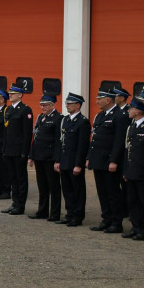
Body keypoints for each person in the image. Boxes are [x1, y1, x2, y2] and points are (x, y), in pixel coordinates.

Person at [88, 89, 128, 234]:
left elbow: (119, 141)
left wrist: (114, 160)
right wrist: (89, 157)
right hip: (98, 160)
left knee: (113, 193)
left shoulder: (120, 116)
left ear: (108, 100)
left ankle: (116, 222)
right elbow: (95, 139)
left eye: (100, 98)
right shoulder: (100, 115)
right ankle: (106, 219)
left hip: (109, 161)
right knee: (102, 192)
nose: (97, 101)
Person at [121, 96, 144, 241]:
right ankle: (135, 226)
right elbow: (127, 150)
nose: (129, 111)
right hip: (131, 171)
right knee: (132, 201)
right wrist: (125, 170)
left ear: (138, 111)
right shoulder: (131, 127)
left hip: (143, 172)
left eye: (131, 108)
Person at [56, 92, 90, 227]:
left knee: (77, 190)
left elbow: (82, 146)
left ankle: (77, 216)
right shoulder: (66, 120)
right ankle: (69, 213)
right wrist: (58, 160)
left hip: (74, 162)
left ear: (77, 105)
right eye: (66, 103)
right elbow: (61, 141)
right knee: (67, 190)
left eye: (69, 104)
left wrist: (78, 164)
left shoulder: (83, 122)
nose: (67, 105)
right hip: (65, 161)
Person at [29, 93, 62, 221]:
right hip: (39, 156)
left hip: (50, 157)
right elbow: (36, 138)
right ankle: (42, 211)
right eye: (41, 105)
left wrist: (57, 159)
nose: (42, 107)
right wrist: (31, 155)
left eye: (45, 105)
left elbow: (58, 141)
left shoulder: (58, 118)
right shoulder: (40, 117)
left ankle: (54, 213)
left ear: (52, 105)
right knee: (42, 186)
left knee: (53, 186)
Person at [2, 85, 33, 215]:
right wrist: (4, 149)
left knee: (20, 179)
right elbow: (6, 132)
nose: (10, 95)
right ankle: (14, 203)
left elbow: (27, 134)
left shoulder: (25, 110)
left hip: (19, 150)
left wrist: (24, 152)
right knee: (12, 178)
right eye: (10, 93)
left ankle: (20, 205)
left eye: (13, 93)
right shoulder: (8, 109)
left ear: (20, 95)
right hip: (9, 149)